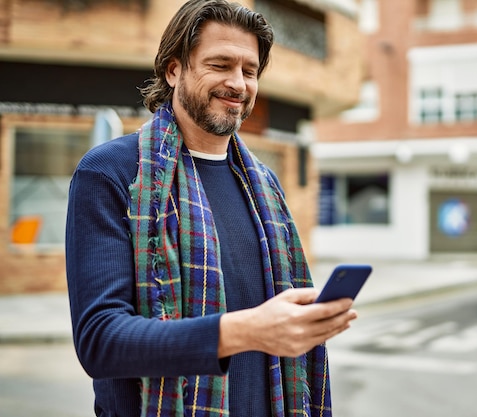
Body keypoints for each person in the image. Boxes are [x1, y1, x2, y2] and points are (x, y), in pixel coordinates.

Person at [64, 1, 357, 416]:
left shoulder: (266, 188)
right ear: (173, 69)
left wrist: (304, 322)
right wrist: (246, 330)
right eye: (220, 65)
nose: (237, 83)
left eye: (249, 70)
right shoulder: (111, 173)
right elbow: (100, 340)